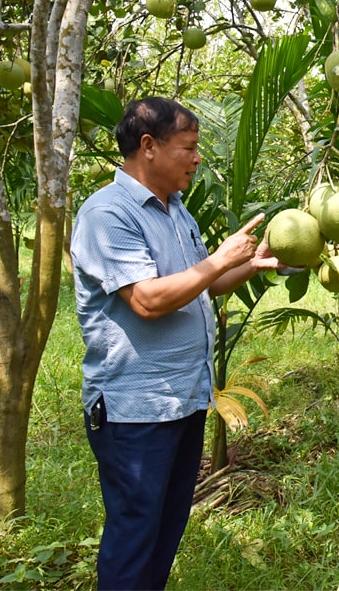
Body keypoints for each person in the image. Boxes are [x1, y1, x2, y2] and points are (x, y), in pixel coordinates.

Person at [69, 97, 287, 591]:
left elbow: (198, 285)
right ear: (148, 146)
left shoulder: (175, 209)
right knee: (134, 535)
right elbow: (147, 300)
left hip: (183, 398)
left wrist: (249, 265)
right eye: (188, 148)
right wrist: (220, 257)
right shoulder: (106, 213)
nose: (197, 159)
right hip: (135, 409)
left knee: (165, 529)